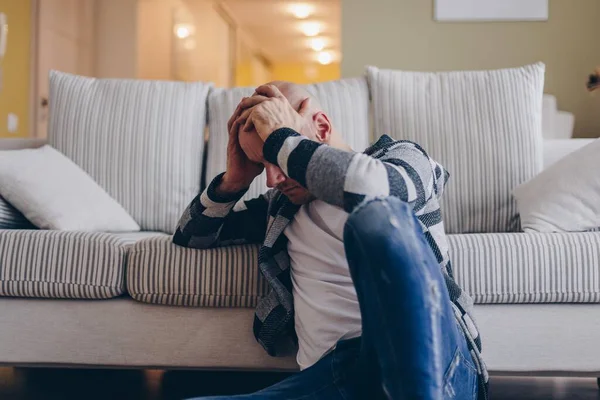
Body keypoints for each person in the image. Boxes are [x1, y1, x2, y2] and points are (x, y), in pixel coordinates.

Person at [173, 81, 488, 400]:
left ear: (320, 127)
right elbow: (191, 236)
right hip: (338, 378)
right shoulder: (281, 208)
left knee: (372, 215)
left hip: (437, 362)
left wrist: (281, 139)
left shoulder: (401, 158)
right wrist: (234, 180)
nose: (270, 179)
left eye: (277, 157)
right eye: (261, 166)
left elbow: (374, 187)